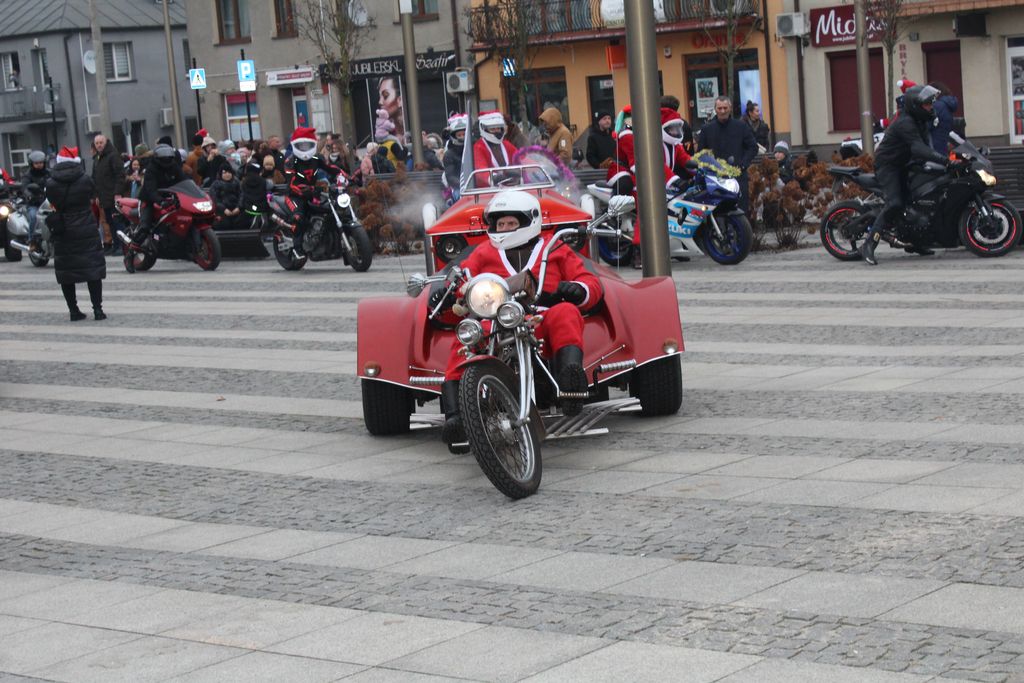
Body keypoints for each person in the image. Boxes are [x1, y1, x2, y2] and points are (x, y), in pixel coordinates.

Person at [434, 190, 602, 447]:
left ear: (529, 222)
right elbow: (463, 278)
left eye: (511, 223)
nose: (504, 228)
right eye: (500, 223)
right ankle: (455, 415)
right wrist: (454, 290)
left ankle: (570, 384)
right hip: (497, 320)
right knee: (469, 333)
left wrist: (579, 289)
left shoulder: (553, 247)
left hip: (542, 318)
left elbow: (590, 281)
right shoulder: (483, 252)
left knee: (567, 314)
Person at [860, 85, 956, 265]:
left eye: (931, 104)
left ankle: (914, 242)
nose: (930, 107)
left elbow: (926, 144)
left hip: (906, 163)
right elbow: (917, 147)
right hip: (889, 165)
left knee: (919, 199)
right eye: (927, 104)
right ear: (915, 105)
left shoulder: (921, 119)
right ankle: (869, 244)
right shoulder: (905, 122)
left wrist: (945, 158)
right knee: (895, 203)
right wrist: (944, 161)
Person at [45, 147, 106, 321]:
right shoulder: (85, 179)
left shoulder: (51, 183)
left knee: (67, 272)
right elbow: (93, 195)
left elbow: (51, 201)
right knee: (92, 270)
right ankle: (98, 310)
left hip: (64, 229)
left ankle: (73, 311)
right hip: (85, 226)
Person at [284, 126, 340, 258]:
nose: (304, 148)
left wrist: (347, 177)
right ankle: (297, 247)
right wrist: (308, 189)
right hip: (294, 196)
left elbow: (331, 168)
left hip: (314, 193)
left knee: (331, 210)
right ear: (295, 145)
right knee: (299, 217)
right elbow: (292, 183)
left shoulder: (317, 158)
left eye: (307, 145)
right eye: (301, 145)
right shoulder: (290, 161)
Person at [127, 143, 184, 269]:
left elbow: (184, 180)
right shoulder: (151, 169)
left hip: (169, 198)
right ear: (158, 158)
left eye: (169, 157)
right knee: (145, 226)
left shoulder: (174, 166)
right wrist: (159, 201)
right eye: (164, 158)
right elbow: (150, 189)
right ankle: (130, 256)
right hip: (149, 200)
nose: (167, 160)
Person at [697, 96, 758, 211]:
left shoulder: (741, 126)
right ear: (715, 109)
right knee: (717, 213)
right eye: (719, 108)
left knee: (741, 212)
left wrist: (743, 164)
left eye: (725, 108)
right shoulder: (707, 129)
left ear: (730, 109)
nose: (722, 111)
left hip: (737, 177)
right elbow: (701, 153)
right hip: (714, 179)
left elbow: (753, 147)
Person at [91, 134, 126, 254]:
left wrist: (117, 193)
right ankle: (116, 245)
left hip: (113, 196)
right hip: (103, 197)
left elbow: (120, 175)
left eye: (101, 142)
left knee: (117, 222)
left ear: (105, 143)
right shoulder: (97, 158)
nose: (99, 145)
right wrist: (96, 195)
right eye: (97, 143)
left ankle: (123, 246)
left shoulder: (113, 156)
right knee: (110, 223)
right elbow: (95, 178)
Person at [473, 111, 518, 187]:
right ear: (484, 129)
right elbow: (480, 169)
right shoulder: (479, 147)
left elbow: (520, 157)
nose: (496, 131)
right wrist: (492, 177)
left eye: (498, 128)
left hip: (510, 187)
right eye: (492, 129)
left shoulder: (506, 144)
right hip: (488, 191)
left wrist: (536, 166)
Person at [19, 150, 49, 252]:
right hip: (34, 203)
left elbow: (55, 182)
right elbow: (24, 188)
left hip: (48, 202)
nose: (39, 165)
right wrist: (29, 195)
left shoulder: (48, 173)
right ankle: (31, 240)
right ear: (32, 164)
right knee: (33, 216)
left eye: (41, 163)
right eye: (37, 163)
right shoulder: (27, 175)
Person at [442, 114, 468, 202]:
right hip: (458, 188)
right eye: (459, 135)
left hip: (478, 187)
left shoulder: (475, 148)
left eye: (464, 134)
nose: (462, 137)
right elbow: (450, 177)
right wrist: (464, 185)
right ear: (454, 136)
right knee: (459, 197)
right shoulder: (449, 154)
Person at [929, 81, 960, 155]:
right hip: (944, 142)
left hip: (934, 144)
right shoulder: (947, 105)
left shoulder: (936, 106)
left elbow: (928, 125)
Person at [210, 165, 243, 230]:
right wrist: (224, 209)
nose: (227, 174)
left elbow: (242, 196)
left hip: (236, 209)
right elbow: (215, 199)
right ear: (220, 174)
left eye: (229, 172)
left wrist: (238, 207)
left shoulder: (237, 183)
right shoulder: (216, 184)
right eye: (225, 172)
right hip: (222, 210)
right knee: (223, 224)